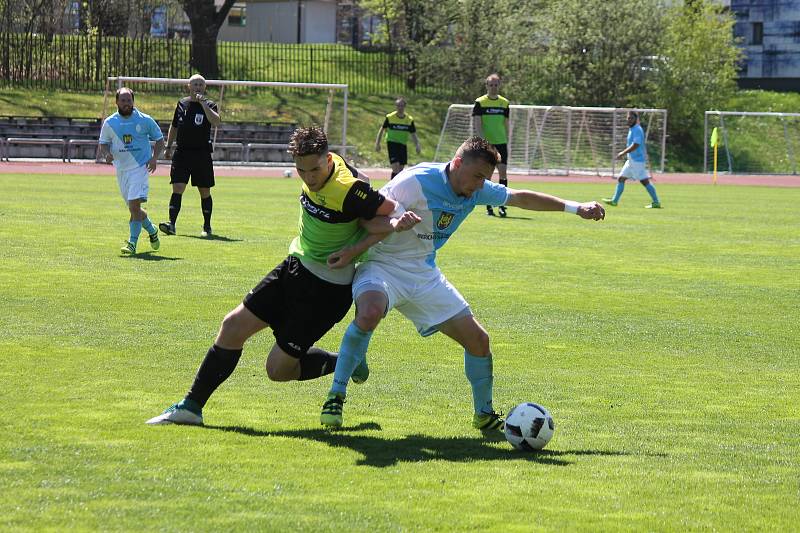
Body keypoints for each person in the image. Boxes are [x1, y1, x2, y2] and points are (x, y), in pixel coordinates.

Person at [318, 136, 605, 431]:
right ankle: (335, 397)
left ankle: (484, 414)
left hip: (424, 274)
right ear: (457, 164)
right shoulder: (414, 180)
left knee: (479, 341)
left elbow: (519, 197)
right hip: (382, 265)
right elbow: (367, 220)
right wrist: (396, 223)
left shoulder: (476, 190)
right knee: (369, 313)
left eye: (486, 178)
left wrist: (575, 207)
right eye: (478, 176)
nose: (481, 184)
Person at [146, 126, 420, 426]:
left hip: (326, 290)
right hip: (294, 267)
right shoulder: (330, 166)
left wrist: (379, 234)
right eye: (302, 171)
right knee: (232, 325)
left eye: (315, 169)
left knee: (277, 371)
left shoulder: (348, 190)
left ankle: (346, 361)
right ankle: (191, 406)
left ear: (328, 160)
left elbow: (392, 212)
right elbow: (362, 181)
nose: (310, 178)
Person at [98, 87, 165, 255]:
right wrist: (107, 154)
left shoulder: (144, 120)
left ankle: (132, 243)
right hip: (122, 171)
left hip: (140, 168)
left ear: (133, 101)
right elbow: (103, 143)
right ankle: (152, 230)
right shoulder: (110, 122)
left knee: (134, 206)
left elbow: (159, 139)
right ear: (117, 102)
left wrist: (154, 158)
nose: (126, 104)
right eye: (123, 100)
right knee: (134, 210)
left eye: (129, 100)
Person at [159, 74, 222, 238]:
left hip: (202, 153)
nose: (198, 87)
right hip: (182, 153)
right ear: (189, 86)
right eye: (195, 84)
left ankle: (207, 226)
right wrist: (168, 146)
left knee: (204, 191)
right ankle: (171, 224)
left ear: (205, 87)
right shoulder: (182, 103)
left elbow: (216, 122)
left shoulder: (210, 104)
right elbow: (174, 126)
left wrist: (203, 105)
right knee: (178, 187)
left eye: (201, 84)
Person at [602, 111, 662, 209]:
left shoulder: (637, 129)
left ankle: (656, 202)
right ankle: (614, 201)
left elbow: (636, 144)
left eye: (631, 118)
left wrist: (623, 153)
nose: (629, 120)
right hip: (631, 160)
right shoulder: (632, 129)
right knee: (621, 178)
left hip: (637, 161)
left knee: (644, 181)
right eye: (628, 118)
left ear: (636, 119)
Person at [472, 73, 510, 217]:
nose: (493, 87)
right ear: (486, 85)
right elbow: (477, 123)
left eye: (496, 85)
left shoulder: (504, 103)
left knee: (503, 172)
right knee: (487, 175)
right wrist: (483, 141)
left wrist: (507, 139)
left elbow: (506, 124)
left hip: (501, 143)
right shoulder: (480, 102)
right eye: (491, 85)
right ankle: (488, 205)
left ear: (499, 85)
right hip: (487, 144)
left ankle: (501, 205)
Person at [375, 97, 421, 179]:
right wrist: (377, 143)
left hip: (403, 145)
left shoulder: (409, 120)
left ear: (405, 106)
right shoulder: (390, 117)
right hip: (392, 144)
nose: (400, 108)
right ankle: (391, 188)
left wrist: (417, 145)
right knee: (395, 167)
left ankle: (397, 188)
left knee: (401, 169)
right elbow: (382, 130)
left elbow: (413, 133)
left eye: (402, 106)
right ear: (396, 106)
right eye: (398, 106)